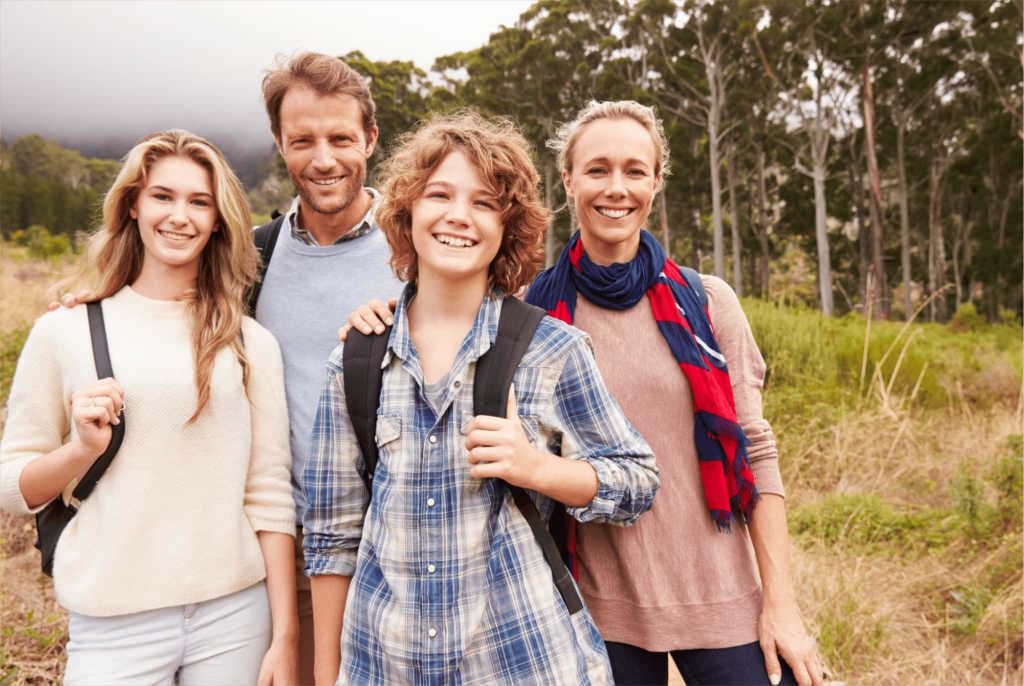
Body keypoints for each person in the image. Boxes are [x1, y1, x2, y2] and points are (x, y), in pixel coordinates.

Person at [344, 101, 824, 686]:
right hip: (599, 608)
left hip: (722, 598)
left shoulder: (707, 303)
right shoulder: (533, 315)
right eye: (597, 170)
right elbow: (449, 309)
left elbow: (755, 450)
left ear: (655, 182)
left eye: (634, 171)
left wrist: (782, 604)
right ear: (567, 180)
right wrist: (389, 316)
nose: (615, 188)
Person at [49, 51, 406, 683]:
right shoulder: (255, 262)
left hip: (398, 554)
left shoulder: (417, 252)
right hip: (275, 559)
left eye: (341, 138)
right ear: (279, 143)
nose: (323, 159)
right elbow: (170, 300)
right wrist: (92, 302)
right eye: (303, 140)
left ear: (371, 138)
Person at [302, 111, 660, 686]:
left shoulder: (552, 349)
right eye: (438, 194)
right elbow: (331, 536)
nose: (457, 216)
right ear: (406, 212)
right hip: (383, 663)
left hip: (520, 660)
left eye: (485, 203)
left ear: (507, 226)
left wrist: (537, 468)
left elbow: (637, 480)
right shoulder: (355, 359)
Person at [1, 130, 298, 684]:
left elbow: (269, 497)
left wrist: (285, 638)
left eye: (199, 201)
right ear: (133, 203)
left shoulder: (249, 342)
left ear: (217, 220)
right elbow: (13, 488)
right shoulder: (63, 331)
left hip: (235, 616)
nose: (179, 216)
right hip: (115, 623)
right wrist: (80, 449)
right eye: (163, 196)